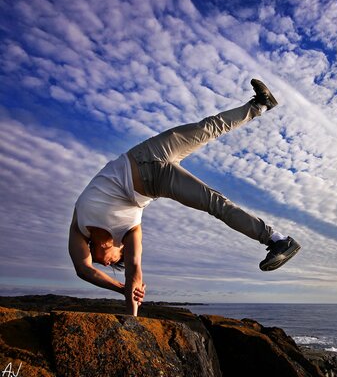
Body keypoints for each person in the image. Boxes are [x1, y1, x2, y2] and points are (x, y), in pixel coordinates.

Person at [68, 79, 301, 316]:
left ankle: (260, 105)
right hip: (157, 181)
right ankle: (277, 240)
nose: (106, 264)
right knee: (215, 203)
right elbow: (131, 271)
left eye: (105, 263)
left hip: (144, 152)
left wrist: (123, 286)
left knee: (209, 127)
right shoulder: (131, 233)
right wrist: (125, 295)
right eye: (112, 264)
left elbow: (83, 269)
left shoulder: (80, 226)